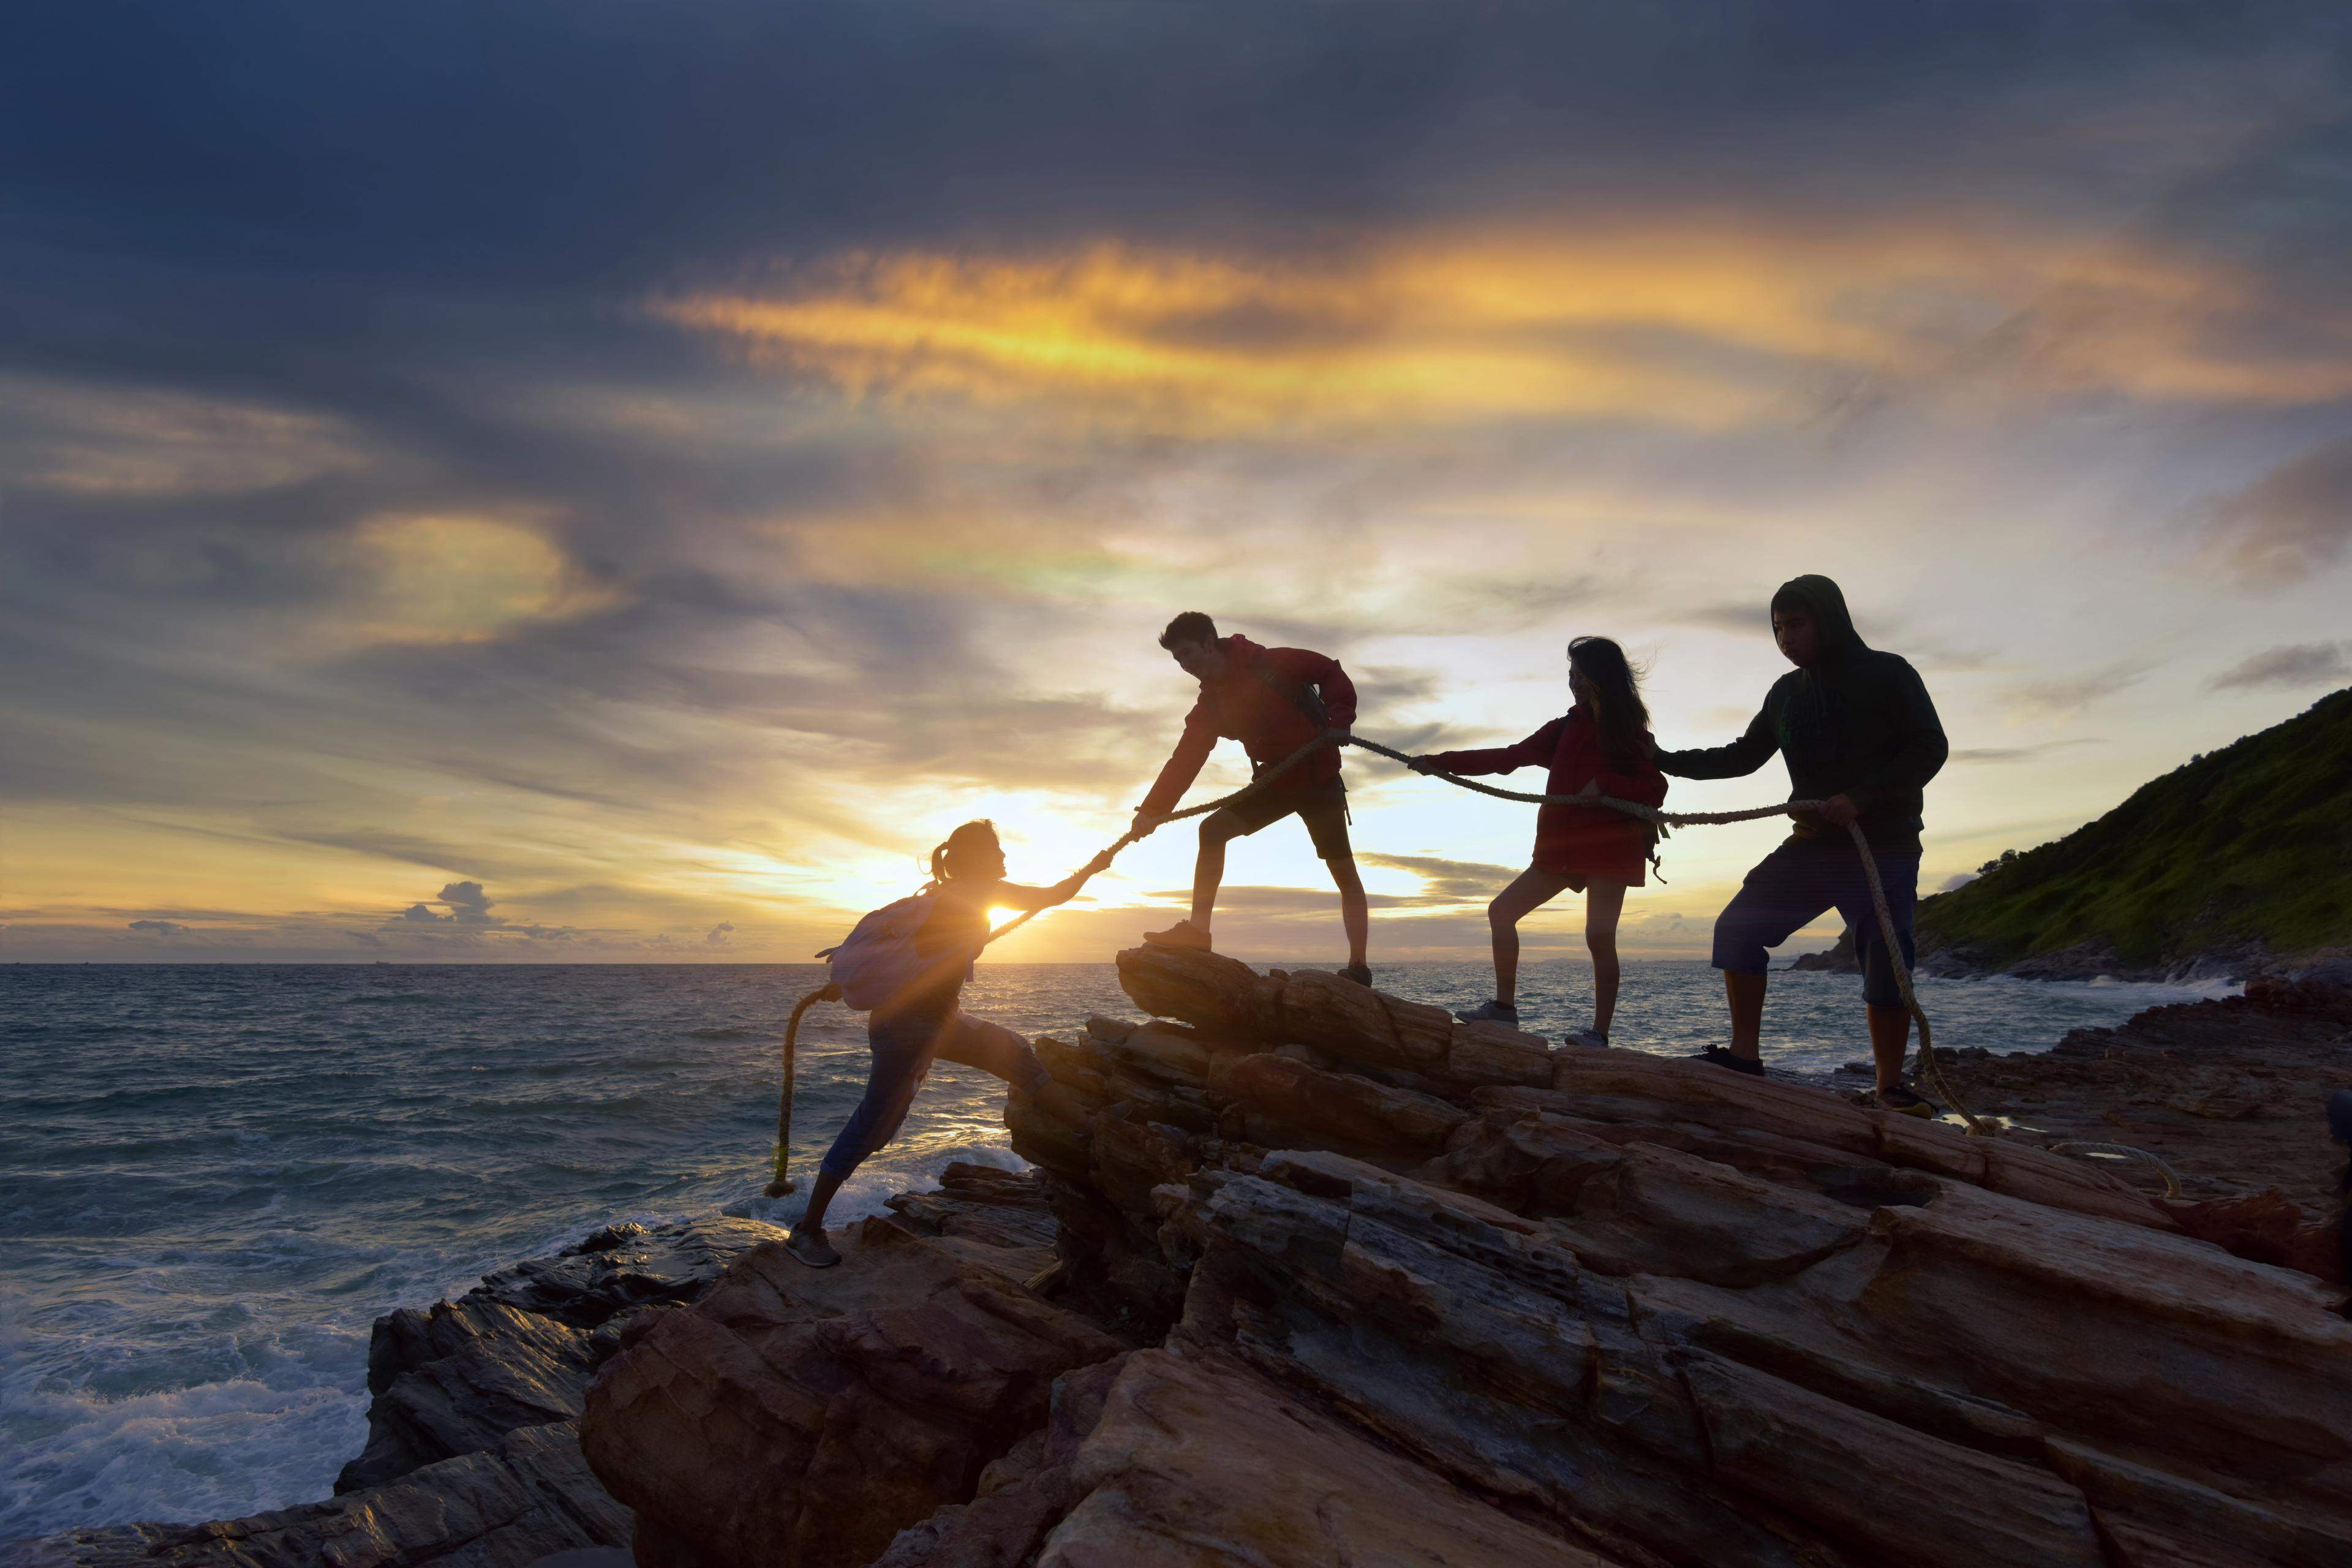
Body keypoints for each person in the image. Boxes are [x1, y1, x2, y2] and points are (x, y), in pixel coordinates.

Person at [1656, 574, 1948, 1116]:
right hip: (1812, 845)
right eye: (1777, 628)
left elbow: (1930, 746)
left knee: (1887, 959)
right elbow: (1740, 757)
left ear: (1828, 620)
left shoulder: (1889, 673)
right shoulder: (1785, 694)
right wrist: (1663, 758)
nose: (1785, 637)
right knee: (1738, 928)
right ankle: (1745, 1057)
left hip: (1882, 846)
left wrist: (1862, 797)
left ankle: (1890, 1088)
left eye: (1796, 624)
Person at [786, 821, 1110, 1267]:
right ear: (977, 858)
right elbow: (1051, 896)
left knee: (1015, 1054)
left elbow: (908, 958)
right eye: (996, 850)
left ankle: (1089, 1130)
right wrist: (1096, 865)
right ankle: (807, 1231)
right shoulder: (973, 894)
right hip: (906, 1028)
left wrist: (842, 984)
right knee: (873, 1126)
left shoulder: (947, 897)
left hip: (936, 1021)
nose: (1003, 859)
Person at [1412, 636, 1666, 1046]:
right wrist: (1442, 764)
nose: (1573, 683)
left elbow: (1655, 788)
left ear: (1602, 678)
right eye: (1571, 675)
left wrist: (1605, 784)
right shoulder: (1565, 727)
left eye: (1581, 675)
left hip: (1609, 847)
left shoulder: (1630, 732)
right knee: (1501, 912)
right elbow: (1508, 757)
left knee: (1599, 937)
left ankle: (1599, 1035)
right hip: (1560, 850)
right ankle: (1504, 1011)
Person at [1131, 612, 1371, 984]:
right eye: (1179, 660)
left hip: (1319, 778)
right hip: (1273, 782)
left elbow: (1330, 672)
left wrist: (1341, 720)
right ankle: (1198, 934)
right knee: (1212, 831)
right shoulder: (1211, 705)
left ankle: (1358, 969)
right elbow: (1186, 759)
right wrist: (1152, 811)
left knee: (1343, 871)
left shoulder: (1272, 662)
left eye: (1189, 654)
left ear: (1210, 643)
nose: (1186, 666)